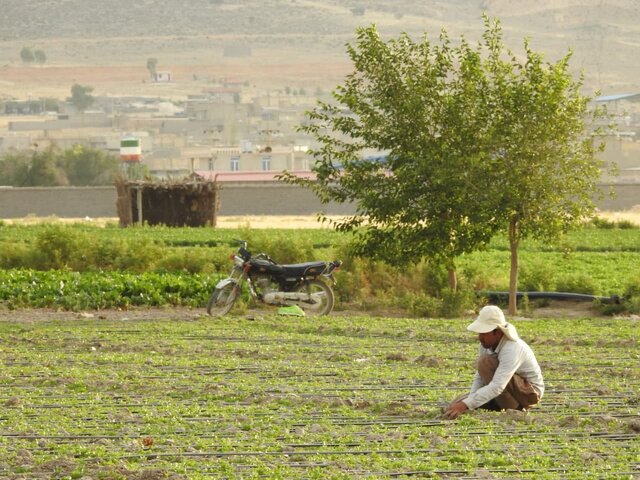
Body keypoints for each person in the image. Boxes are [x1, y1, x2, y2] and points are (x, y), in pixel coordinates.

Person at [444, 305, 544, 419]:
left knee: (486, 362)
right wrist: (468, 401)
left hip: (528, 394)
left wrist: (466, 405)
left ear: (498, 332)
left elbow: (497, 386)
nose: (480, 337)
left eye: (484, 333)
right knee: (455, 404)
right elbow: (480, 376)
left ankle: (515, 409)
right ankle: (496, 404)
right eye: (479, 333)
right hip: (504, 388)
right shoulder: (486, 345)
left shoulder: (512, 348)